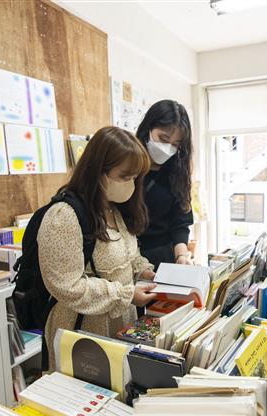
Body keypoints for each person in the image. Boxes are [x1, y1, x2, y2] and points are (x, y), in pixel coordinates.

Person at [37, 126, 157, 371]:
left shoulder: (113, 209)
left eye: (135, 178)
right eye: (125, 177)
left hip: (119, 317)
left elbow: (127, 255)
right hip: (83, 328)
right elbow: (67, 286)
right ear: (99, 171)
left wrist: (143, 271)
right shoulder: (64, 216)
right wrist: (125, 295)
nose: (131, 184)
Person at [136, 100, 194, 269]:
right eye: (163, 138)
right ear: (148, 129)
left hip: (162, 255)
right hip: (126, 256)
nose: (167, 148)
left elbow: (180, 222)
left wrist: (182, 255)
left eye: (175, 144)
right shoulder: (128, 166)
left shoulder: (177, 170)